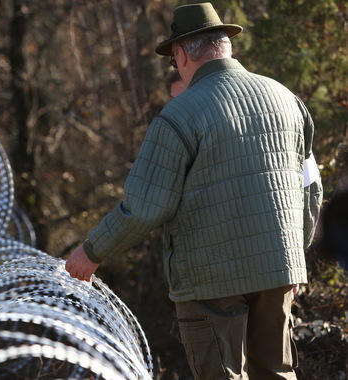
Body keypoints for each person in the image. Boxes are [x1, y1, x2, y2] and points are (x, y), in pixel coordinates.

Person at [65, 2, 323, 379]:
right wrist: (294, 254)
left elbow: (145, 208)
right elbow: (311, 188)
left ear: (181, 53)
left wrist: (91, 253)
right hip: (279, 270)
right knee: (277, 373)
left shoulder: (179, 115)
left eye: (173, 61)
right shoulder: (287, 100)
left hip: (209, 282)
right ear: (226, 46)